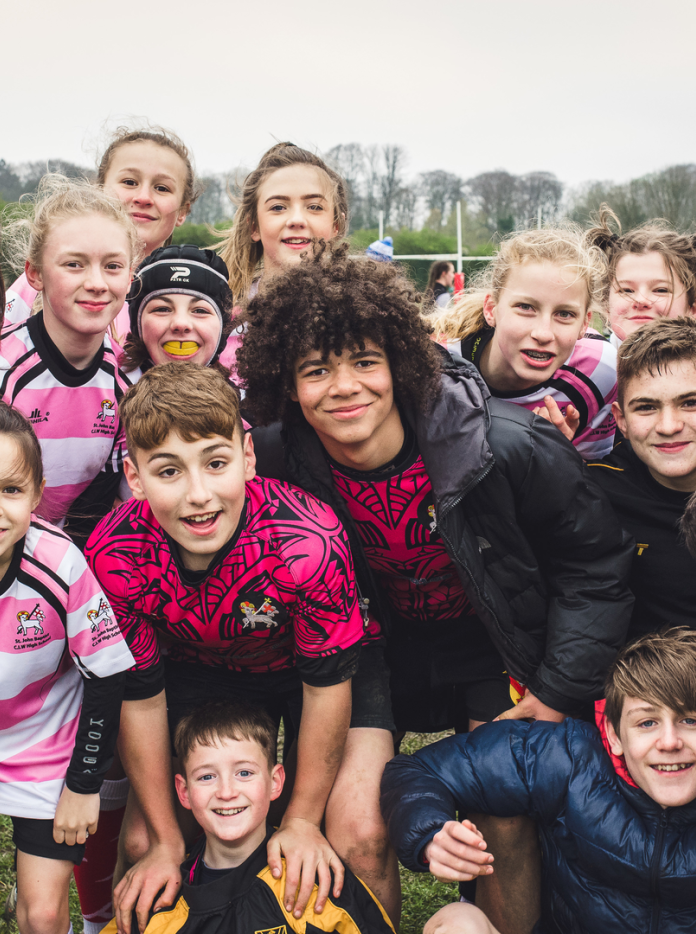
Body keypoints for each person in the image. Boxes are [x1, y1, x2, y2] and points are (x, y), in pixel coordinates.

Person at [236, 241, 635, 933]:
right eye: (316, 369)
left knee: (501, 812)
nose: (345, 386)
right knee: (357, 827)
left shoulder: (504, 443)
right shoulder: (273, 456)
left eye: (366, 362)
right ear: (287, 385)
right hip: (372, 648)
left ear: (400, 363)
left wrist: (554, 690)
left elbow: (596, 566)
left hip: (490, 644)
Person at [84, 363, 372, 934]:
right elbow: (141, 697)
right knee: (141, 841)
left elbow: (326, 688)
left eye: (215, 463)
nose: (198, 495)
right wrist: (165, 838)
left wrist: (302, 819)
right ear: (134, 478)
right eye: (169, 471)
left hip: (312, 673)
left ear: (248, 456)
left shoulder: (307, 542)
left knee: (357, 832)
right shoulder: (115, 554)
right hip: (198, 665)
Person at [382, 626, 696, 934]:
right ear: (614, 735)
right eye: (647, 722)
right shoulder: (570, 758)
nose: (670, 742)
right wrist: (431, 834)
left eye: (690, 720)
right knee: (456, 923)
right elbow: (419, 770)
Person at [0, 403, 136, 934]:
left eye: (11, 489)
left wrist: (83, 785)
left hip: (42, 744)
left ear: (37, 494)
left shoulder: (61, 563)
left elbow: (106, 675)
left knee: (43, 916)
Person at [100, 701, 395, 934]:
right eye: (206, 777)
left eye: (244, 773)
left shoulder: (314, 886)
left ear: (275, 782)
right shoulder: (160, 900)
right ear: (184, 791)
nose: (226, 792)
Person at [0, 175, 139, 534]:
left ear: (130, 276)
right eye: (74, 264)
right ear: (35, 274)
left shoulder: (126, 384)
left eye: (112, 266)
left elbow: (99, 505)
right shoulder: (5, 367)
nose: (96, 283)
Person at [430, 227, 617, 459]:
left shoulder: (601, 370)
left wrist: (558, 457)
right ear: (491, 309)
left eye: (565, 314)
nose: (543, 334)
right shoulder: (435, 363)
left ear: (584, 324)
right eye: (525, 307)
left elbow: (595, 476)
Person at [4, 124, 198, 342]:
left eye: (162, 188)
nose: (143, 197)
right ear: (99, 191)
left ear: (183, 211)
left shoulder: (195, 294)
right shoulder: (44, 279)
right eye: (129, 182)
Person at [587, 317, 696, 641]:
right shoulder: (594, 494)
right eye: (646, 407)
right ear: (620, 420)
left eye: (690, 403)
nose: (668, 426)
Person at [214, 142, 348, 379]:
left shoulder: (368, 316)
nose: (296, 220)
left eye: (314, 207)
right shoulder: (217, 321)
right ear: (254, 227)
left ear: (336, 225)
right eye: (278, 207)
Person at [586, 205, 696, 348]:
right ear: (606, 306)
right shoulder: (585, 360)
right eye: (626, 290)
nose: (640, 300)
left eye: (661, 290)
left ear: (692, 309)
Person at [120, 244, 234, 377]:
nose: (180, 324)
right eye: (162, 309)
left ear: (223, 327)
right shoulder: (110, 384)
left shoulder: (245, 390)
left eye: (200, 311)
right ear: (137, 324)